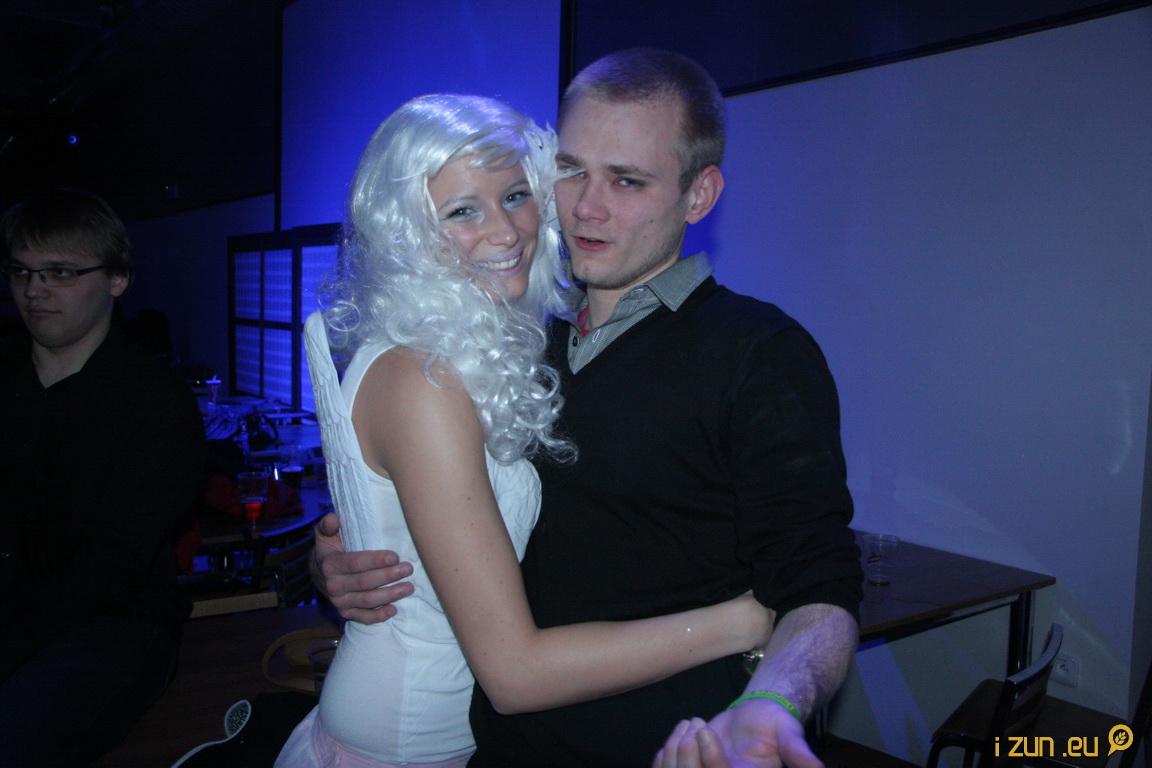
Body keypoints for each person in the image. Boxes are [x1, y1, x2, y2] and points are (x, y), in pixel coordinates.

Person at [313, 49, 863, 768]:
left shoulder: (757, 354)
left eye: (627, 181)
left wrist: (775, 701)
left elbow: (821, 591)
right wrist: (350, 554)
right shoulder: (512, 351)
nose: (586, 208)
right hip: (501, 750)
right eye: (570, 171)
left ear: (699, 196)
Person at [0, 190, 205, 767]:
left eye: (60, 272)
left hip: (112, 624)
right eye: (21, 271)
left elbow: (110, 566)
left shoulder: (154, 403)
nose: (34, 290)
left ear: (117, 279)